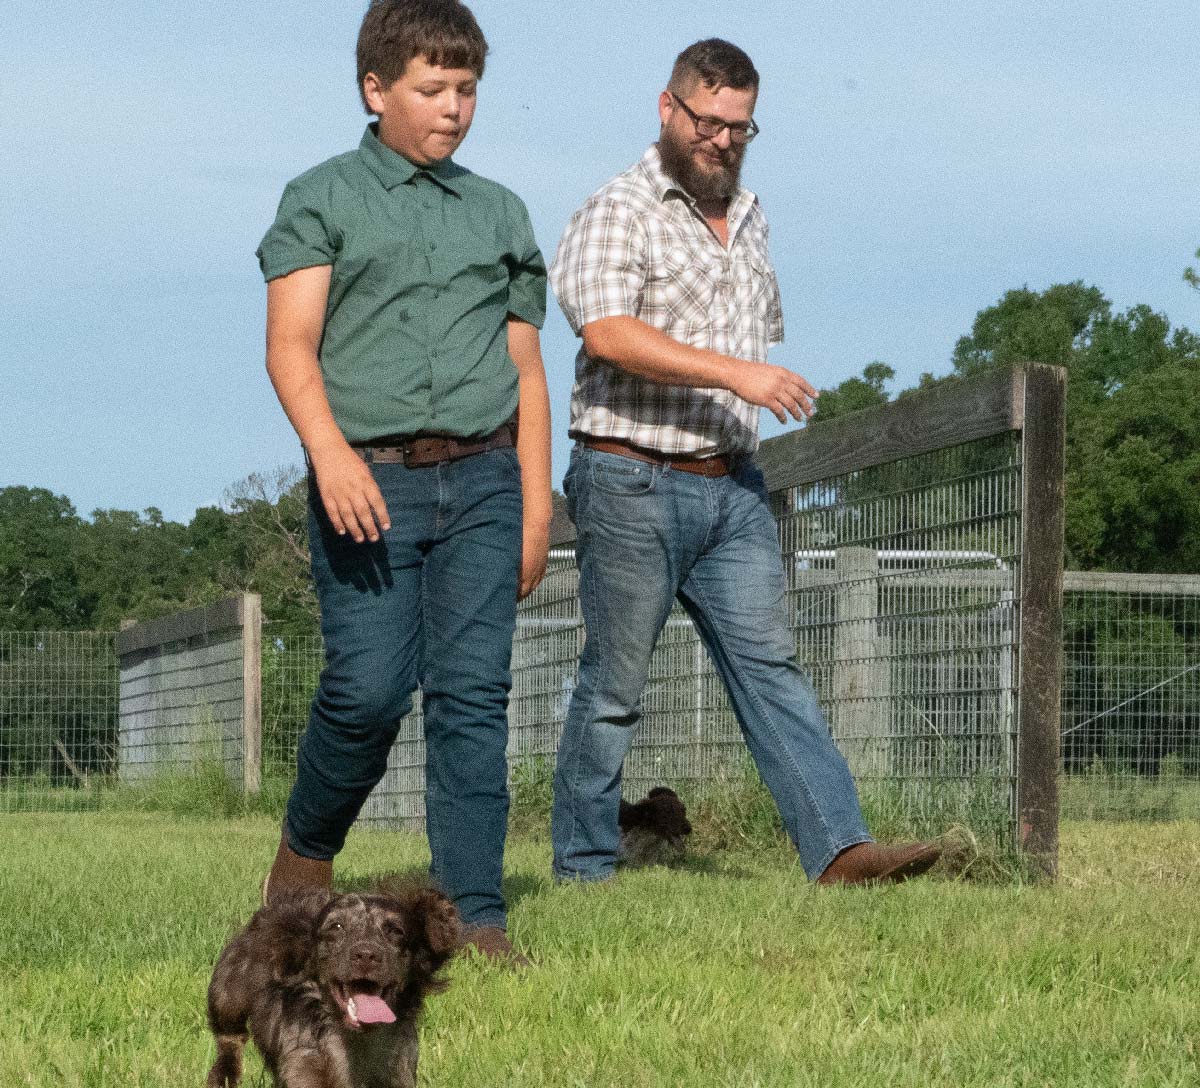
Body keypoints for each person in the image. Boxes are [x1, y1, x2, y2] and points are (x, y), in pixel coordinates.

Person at [548, 38, 940, 887]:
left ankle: (841, 853)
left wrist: (746, 390)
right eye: (707, 121)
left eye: (739, 125)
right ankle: (584, 868)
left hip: (734, 490)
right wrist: (737, 374)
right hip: (629, 477)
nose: (722, 139)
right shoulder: (618, 208)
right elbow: (607, 332)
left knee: (773, 672)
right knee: (614, 685)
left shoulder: (753, 216)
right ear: (668, 108)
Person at [255, 0, 551, 962]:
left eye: (468, 90)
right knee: (369, 690)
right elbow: (290, 348)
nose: (455, 109)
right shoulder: (322, 197)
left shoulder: (501, 212)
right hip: (368, 482)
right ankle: (305, 858)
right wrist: (332, 456)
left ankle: (476, 914)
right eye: (433, 89)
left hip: (486, 482)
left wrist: (537, 505)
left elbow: (528, 370)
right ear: (377, 89)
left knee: (472, 696)